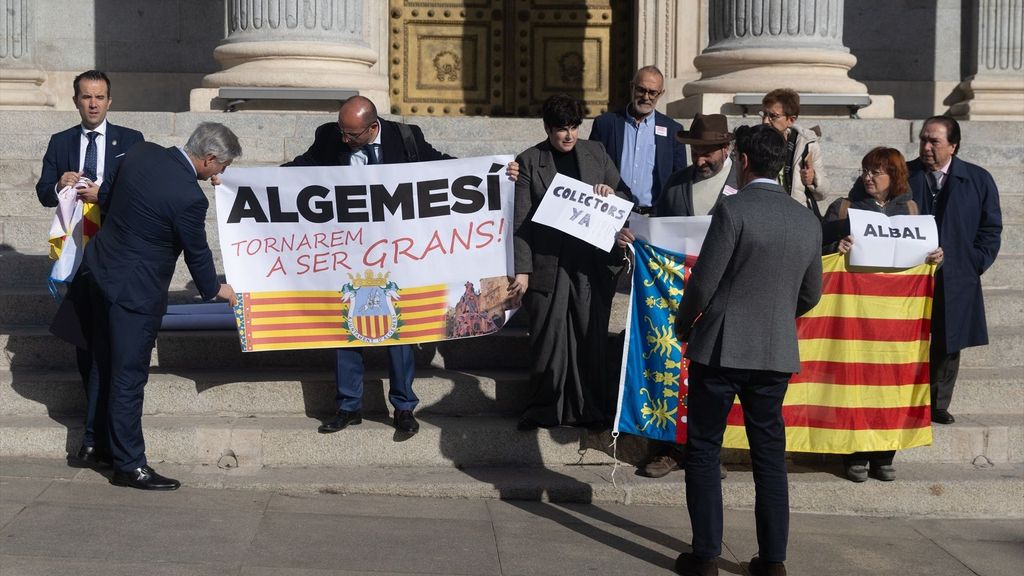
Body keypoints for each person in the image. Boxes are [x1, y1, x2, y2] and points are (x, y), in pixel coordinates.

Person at [286, 95, 518, 437]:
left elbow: (444, 169)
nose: (345, 140)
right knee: (346, 329)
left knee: (399, 330)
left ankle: (404, 407)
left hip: (399, 254)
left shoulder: (407, 139)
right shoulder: (329, 137)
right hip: (349, 254)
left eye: (352, 135)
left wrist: (495, 174)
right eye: (342, 132)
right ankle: (348, 406)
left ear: (373, 127)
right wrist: (243, 184)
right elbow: (300, 168)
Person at [673, 124, 823, 576]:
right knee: (769, 457)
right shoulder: (806, 220)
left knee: (703, 449)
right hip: (774, 350)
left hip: (720, 348)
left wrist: (683, 325)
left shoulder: (733, 210)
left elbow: (705, 282)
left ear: (742, 161)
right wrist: (777, 315)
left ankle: (705, 556)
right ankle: (773, 561)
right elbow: (811, 293)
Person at [79, 122, 239, 490]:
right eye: (222, 167)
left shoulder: (141, 151)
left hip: (100, 272)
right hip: (135, 293)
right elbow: (197, 253)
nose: (220, 174)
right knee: (128, 377)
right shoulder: (189, 198)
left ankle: (98, 444)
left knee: (103, 365)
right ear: (209, 158)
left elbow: (108, 196)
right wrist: (216, 288)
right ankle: (130, 464)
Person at [615, 113, 737, 479]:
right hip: (675, 297)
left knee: (715, 375)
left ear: (726, 148)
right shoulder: (674, 185)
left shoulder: (743, 186)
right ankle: (668, 446)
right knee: (672, 366)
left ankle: (706, 450)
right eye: (695, 151)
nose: (699, 159)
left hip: (725, 297)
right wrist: (634, 240)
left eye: (707, 152)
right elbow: (656, 235)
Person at [35, 70, 145, 468]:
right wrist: (57, 184)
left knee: (110, 347)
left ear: (110, 101)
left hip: (116, 257)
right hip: (78, 255)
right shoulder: (61, 142)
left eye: (100, 97)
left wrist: (106, 193)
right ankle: (97, 428)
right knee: (87, 345)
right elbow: (43, 191)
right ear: (76, 101)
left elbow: (140, 193)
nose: (93, 103)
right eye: (86, 97)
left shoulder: (130, 141)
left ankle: (97, 434)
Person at [824, 147, 944, 483]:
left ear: (895, 177)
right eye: (865, 170)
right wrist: (836, 248)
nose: (869, 177)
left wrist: (935, 257)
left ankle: (883, 454)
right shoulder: (843, 208)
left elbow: (919, 260)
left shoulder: (909, 210)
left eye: (877, 171)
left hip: (893, 319)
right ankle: (856, 454)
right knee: (855, 385)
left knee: (889, 384)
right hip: (854, 316)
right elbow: (816, 250)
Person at [511, 94, 628, 430]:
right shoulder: (530, 161)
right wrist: (523, 271)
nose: (569, 135)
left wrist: (611, 195)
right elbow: (521, 221)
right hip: (550, 262)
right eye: (561, 128)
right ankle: (542, 408)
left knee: (591, 338)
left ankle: (591, 409)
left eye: (574, 127)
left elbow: (623, 196)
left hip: (591, 265)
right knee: (547, 338)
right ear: (548, 129)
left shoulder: (597, 153)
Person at [910, 116, 1001, 425]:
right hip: (911, 274)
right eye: (923, 139)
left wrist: (973, 261)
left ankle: (937, 403)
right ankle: (907, 399)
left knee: (950, 340)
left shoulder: (978, 179)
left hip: (957, 273)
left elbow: (990, 229)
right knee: (910, 337)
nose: (926, 147)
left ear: (953, 145)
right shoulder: (905, 174)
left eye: (934, 141)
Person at [589, 66, 687, 213]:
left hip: (654, 218)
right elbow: (591, 168)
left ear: (661, 94)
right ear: (631, 87)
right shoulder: (605, 124)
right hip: (610, 212)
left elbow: (680, 180)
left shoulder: (673, 130)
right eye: (641, 90)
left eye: (653, 92)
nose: (646, 97)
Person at [759, 88, 830, 215]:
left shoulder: (807, 144)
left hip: (797, 215)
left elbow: (823, 193)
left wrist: (813, 178)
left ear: (791, 120)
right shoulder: (754, 143)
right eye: (764, 114)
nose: (765, 121)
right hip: (766, 212)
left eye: (773, 116)